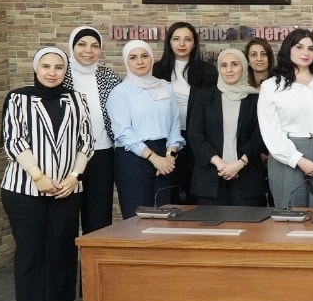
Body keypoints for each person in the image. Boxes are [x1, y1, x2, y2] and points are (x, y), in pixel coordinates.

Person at [1, 47, 93, 301]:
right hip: (24, 188)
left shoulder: (77, 99)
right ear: (36, 68)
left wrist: (74, 176)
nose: (52, 73)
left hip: (66, 188)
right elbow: (13, 140)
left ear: (65, 71)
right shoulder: (18, 98)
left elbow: (86, 141)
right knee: (31, 247)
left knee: (60, 247)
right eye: (46, 66)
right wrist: (38, 176)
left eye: (58, 67)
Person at [255, 29, 313, 208]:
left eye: (311, 48)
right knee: (290, 214)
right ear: (288, 49)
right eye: (299, 47)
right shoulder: (271, 86)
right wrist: (298, 160)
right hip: (286, 155)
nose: (305, 53)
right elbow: (271, 132)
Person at [106, 40, 183, 217]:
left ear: (152, 59)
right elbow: (124, 133)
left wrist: (170, 157)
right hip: (134, 158)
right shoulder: (120, 92)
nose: (140, 62)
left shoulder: (165, 87)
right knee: (136, 218)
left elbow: (174, 123)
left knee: (166, 215)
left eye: (144, 56)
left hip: (166, 156)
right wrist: (155, 159)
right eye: (133, 57)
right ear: (126, 61)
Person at [186, 48, 267, 206]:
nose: (229, 70)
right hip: (209, 180)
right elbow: (195, 135)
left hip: (247, 179)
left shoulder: (257, 100)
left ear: (244, 67)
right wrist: (220, 164)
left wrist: (239, 164)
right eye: (224, 65)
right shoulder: (203, 97)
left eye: (234, 64)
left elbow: (259, 137)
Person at [62, 25, 121, 235]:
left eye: (95, 46)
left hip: (102, 154)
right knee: (65, 217)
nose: (88, 50)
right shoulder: (60, 74)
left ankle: (94, 257)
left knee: (99, 219)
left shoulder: (109, 76)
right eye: (82, 44)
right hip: (66, 155)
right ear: (72, 46)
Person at [152, 21, 217, 203]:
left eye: (187, 39)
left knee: (194, 189)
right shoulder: (157, 70)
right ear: (169, 42)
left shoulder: (207, 71)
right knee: (170, 189)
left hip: (197, 136)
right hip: (166, 137)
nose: (181, 44)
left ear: (194, 43)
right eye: (176, 39)